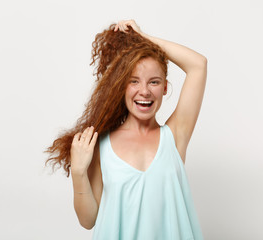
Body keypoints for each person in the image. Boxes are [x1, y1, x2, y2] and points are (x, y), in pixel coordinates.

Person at [45, 20, 207, 240]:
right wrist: (78, 172)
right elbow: (88, 220)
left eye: (154, 82)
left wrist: (143, 39)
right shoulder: (100, 144)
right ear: (121, 87)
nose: (144, 91)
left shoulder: (175, 136)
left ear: (165, 87)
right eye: (134, 81)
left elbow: (198, 64)